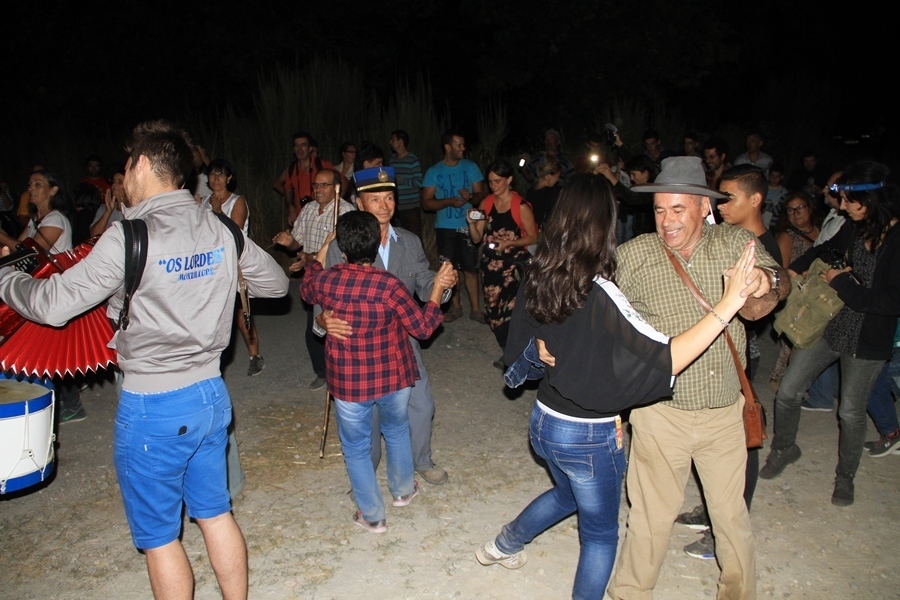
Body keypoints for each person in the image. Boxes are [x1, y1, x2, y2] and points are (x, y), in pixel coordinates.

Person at [0, 119, 289, 599]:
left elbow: (51, 305)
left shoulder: (129, 235)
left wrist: (7, 279)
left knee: (160, 539)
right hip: (210, 396)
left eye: (126, 165)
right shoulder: (220, 225)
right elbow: (276, 286)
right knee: (216, 514)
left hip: (153, 406)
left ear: (140, 165)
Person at [475, 173, 758, 599]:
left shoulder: (540, 274)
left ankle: (503, 545)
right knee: (600, 536)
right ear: (605, 224)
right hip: (588, 436)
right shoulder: (603, 293)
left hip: (544, 423)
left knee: (567, 493)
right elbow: (668, 359)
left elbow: (520, 346)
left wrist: (539, 349)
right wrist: (729, 302)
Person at [607, 156, 784, 600]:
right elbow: (596, 313)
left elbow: (777, 280)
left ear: (704, 207)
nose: (667, 220)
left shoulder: (736, 243)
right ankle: (630, 594)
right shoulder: (634, 256)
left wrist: (764, 280)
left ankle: (738, 594)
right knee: (649, 518)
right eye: (659, 210)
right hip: (659, 412)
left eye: (678, 209)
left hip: (724, 413)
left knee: (731, 518)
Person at [300, 209, 454, 533]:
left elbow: (307, 285)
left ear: (342, 250)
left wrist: (323, 247)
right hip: (393, 377)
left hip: (349, 383)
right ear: (375, 245)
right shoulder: (389, 285)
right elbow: (423, 328)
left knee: (356, 447)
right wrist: (437, 289)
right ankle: (403, 491)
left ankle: (372, 515)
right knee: (396, 430)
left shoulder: (326, 280)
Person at [759, 160, 900, 506]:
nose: (843, 206)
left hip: (868, 339)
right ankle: (784, 448)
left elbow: (890, 301)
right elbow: (824, 249)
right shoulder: (858, 226)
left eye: (850, 200)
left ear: (872, 200)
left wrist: (842, 283)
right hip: (832, 325)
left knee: (850, 412)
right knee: (788, 391)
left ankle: (845, 477)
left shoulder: (897, 240)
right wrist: (793, 270)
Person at [315, 166, 456, 486]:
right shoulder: (342, 244)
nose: (384, 205)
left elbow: (425, 284)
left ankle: (421, 460)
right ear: (359, 203)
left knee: (422, 405)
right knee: (371, 415)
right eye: (375, 199)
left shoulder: (409, 241)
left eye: (389, 198)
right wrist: (322, 320)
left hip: (404, 340)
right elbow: (323, 291)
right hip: (360, 346)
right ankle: (366, 473)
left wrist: (442, 283)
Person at [273, 168, 355, 390]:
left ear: (336, 188)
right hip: (314, 279)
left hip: (337, 279)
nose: (318, 189)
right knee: (315, 329)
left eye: (324, 185)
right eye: (315, 185)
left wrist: (310, 257)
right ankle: (323, 372)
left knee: (338, 327)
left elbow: (344, 250)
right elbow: (297, 242)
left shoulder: (345, 211)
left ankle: (345, 372)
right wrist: (289, 242)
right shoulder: (309, 208)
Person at [467, 159, 538, 366]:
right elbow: (477, 238)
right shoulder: (486, 203)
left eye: (498, 181)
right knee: (493, 311)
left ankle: (511, 354)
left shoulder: (520, 206)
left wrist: (509, 242)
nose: (493, 185)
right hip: (490, 265)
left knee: (512, 311)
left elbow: (533, 237)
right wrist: (471, 224)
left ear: (509, 180)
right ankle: (509, 350)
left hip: (513, 267)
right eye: (490, 181)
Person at [200, 158, 265, 377]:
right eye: (212, 174)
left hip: (233, 263)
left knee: (240, 313)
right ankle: (209, 359)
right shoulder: (202, 202)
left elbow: (234, 233)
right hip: (211, 265)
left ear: (229, 178)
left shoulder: (237, 201)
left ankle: (255, 355)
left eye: (221, 174)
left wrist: (218, 213)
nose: (216, 178)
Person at [422, 130, 486, 322]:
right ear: (448, 147)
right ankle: (455, 308)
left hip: (467, 225)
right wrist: (449, 201)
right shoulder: (434, 171)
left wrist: (471, 197)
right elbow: (426, 203)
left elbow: (481, 195)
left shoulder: (471, 167)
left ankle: (476, 310)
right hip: (445, 227)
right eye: (459, 144)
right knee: (449, 269)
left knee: (470, 269)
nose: (463, 148)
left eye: (463, 144)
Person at [273, 131, 338, 225]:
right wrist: (291, 207)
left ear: (310, 148)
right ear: (293, 149)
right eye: (296, 145)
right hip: (300, 218)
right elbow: (287, 190)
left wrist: (336, 203)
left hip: (321, 216)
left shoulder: (321, 165)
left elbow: (343, 181)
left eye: (303, 145)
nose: (299, 149)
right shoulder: (292, 168)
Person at [388, 130, 424, 239]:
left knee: (414, 237)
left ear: (400, 141)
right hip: (396, 207)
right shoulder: (392, 160)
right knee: (398, 237)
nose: (390, 142)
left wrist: (403, 181)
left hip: (411, 207)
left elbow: (419, 182)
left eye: (393, 139)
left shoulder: (412, 159)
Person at [524, 155, 561, 228]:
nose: (558, 179)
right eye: (557, 176)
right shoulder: (554, 193)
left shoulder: (530, 192)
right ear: (549, 176)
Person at [90, 168, 127, 237]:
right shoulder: (104, 208)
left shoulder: (134, 208)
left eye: (119, 182)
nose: (114, 185)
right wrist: (108, 212)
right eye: (113, 182)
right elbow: (94, 235)